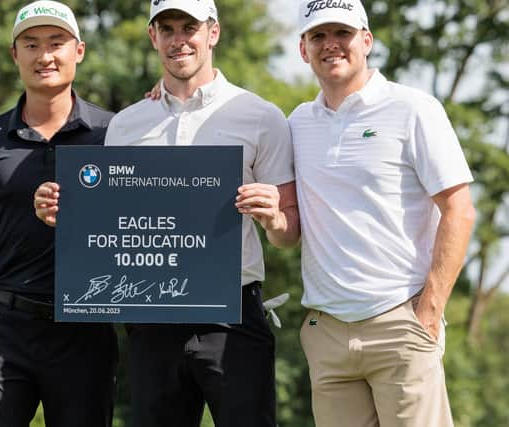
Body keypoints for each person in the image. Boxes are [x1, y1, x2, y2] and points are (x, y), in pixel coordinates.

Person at [34, 1, 300, 425]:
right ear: (153, 37)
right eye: (168, 28)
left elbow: (289, 235)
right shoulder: (127, 125)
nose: (179, 39)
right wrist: (69, 215)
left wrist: (273, 217)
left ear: (212, 32)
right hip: (152, 319)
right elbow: (115, 226)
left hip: (233, 316)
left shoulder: (261, 116)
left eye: (189, 27)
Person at [290, 1, 476, 426]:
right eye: (318, 36)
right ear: (303, 49)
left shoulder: (413, 109)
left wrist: (427, 313)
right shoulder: (297, 122)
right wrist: (162, 94)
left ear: (367, 41)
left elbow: (459, 210)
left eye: (343, 34)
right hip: (329, 333)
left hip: (401, 324)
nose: (331, 45)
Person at [0, 1, 117, 426]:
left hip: (85, 332)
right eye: (30, 44)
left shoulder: (116, 133)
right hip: (4, 329)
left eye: (56, 43)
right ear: (15, 54)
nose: (44, 55)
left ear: (80, 50)